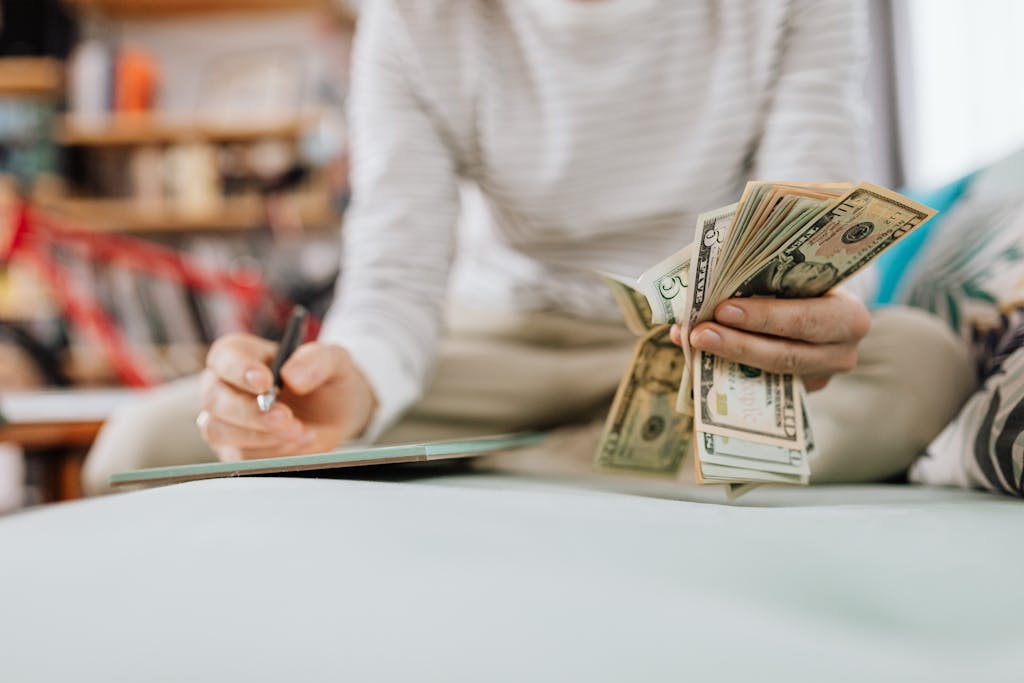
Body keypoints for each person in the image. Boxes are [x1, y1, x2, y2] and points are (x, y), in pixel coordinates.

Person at [83, 0, 976, 494]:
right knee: (137, 447)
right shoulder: (413, 18)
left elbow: (814, 214)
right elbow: (393, 281)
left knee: (925, 365)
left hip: (694, 348)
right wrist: (353, 384)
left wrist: (809, 321)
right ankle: (610, 464)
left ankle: (488, 460)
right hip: (490, 344)